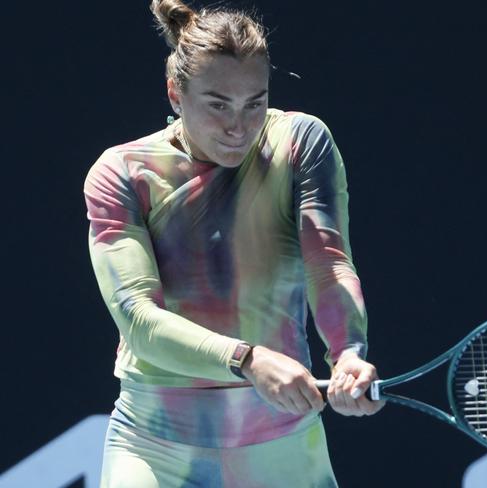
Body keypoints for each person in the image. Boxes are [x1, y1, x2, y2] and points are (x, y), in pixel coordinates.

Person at [84, 1, 383, 486]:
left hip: (283, 444)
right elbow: (138, 318)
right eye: (218, 103)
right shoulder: (121, 173)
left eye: (254, 103)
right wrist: (247, 359)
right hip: (155, 447)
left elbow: (327, 261)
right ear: (175, 94)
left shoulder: (300, 142)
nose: (238, 127)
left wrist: (347, 352)